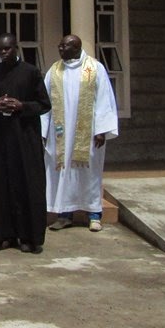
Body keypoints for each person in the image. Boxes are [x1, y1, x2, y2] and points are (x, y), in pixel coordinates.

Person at [0, 33, 52, 254]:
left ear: (16, 48)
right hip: (1, 137)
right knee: (1, 184)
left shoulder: (31, 73)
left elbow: (44, 104)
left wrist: (21, 106)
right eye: (1, 49)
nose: (4, 53)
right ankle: (3, 235)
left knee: (28, 184)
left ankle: (30, 237)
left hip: (25, 137)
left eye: (8, 49)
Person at [42, 34, 119, 232]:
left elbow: (104, 99)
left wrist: (102, 130)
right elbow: (45, 103)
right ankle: (64, 214)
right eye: (60, 45)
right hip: (59, 134)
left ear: (76, 47)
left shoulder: (94, 68)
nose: (60, 48)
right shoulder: (55, 70)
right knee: (61, 173)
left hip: (88, 133)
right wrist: (42, 130)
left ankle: (94, 214)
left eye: (65, 45)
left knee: (89, 173)